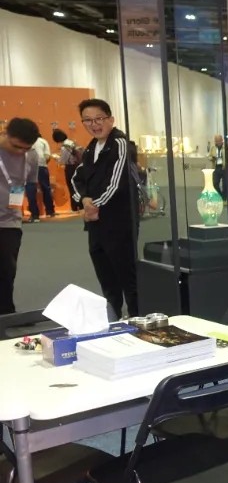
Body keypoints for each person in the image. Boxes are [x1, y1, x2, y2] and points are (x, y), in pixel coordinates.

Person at [71, 98, 139, 318]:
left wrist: (94, 205)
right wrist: (84, 200)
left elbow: (116, 183)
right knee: (106, 276)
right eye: (88, 120)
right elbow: (77, 177)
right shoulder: (91, 147)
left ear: (111, 119)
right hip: (96, 223)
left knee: (127, 275)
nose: (94, 124)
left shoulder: (120, 143)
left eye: (99, 118)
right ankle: (113, 318)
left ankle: (137, 319)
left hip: (119, 222)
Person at [0, 118, 40, 314]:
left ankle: (6, 312)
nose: (20, 152)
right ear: (5, 134)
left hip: (10, 221)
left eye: (26, 148)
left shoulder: (31, 155)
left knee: (7, 269)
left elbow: (26, 183)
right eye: (16, 146)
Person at [25, 135, 55, 221]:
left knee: (30, 189)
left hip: (27, 167)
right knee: (46, 188)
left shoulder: (23, 140)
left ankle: (34, 214)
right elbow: (47, 156)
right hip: (41, 166)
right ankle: (50, 211)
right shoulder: (43, 141)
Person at [54, 129, 82, 211]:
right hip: (78, 167)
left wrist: (56, 158)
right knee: (78, 187)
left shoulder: (65, 147)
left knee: (71, 187)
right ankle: (81, 205)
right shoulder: (72, 143)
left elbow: (63, 160)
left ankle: (74, 207)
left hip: (71, 168)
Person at [211, 134, 228, 199]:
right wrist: (212, 158)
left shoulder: (226, 147)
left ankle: (224, 198)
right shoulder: (213, 148)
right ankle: (220, 196)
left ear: (222, 140)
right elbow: (209, 156)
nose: (217, 142)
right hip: (216, 167)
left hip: (224, 168)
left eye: (218, 140)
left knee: (225, 185)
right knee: (215, 183)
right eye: (216, 141)